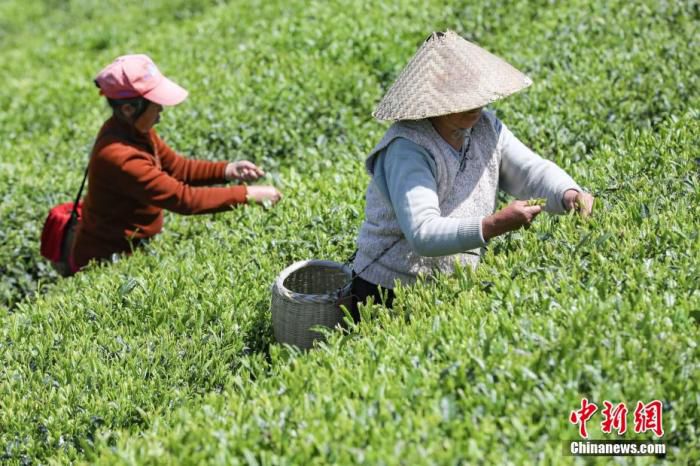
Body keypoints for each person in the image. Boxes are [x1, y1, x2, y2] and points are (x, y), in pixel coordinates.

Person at [351, 31, 594, 318]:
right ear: (435, 99)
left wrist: (568, 193)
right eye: (460, 96)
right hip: (387, 291)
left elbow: (529, 172)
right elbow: (423, 233)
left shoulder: (486, 127)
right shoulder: (407, 148)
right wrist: (494, 224)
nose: (474, 104)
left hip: (452, 286)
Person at [70, 54, 282, 273]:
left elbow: (178, 168)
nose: (161, 109)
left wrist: (227, 170)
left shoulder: (134, 130)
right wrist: (248, 194)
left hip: (133, 248)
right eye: (155, 103)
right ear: (129, 109)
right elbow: (184, 199)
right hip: (107, 262)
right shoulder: (120, 156)